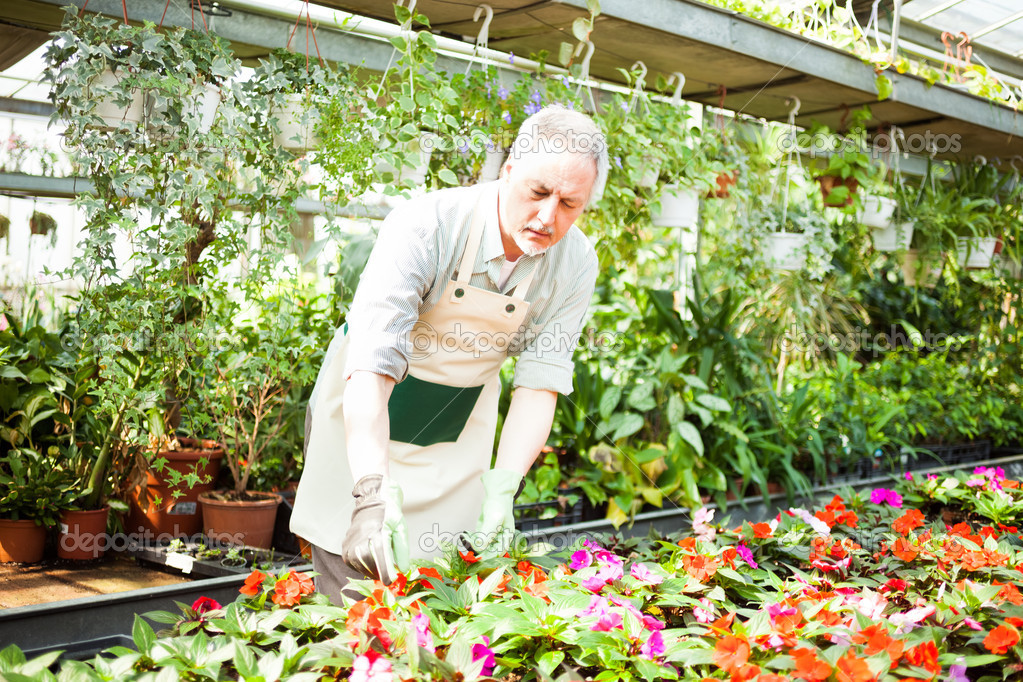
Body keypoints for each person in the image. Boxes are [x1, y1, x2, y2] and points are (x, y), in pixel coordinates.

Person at [290, 105, 608, 601]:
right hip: (365, 416)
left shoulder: (575, 263)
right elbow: (373, 365)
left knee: (440, 598)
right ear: (508, 173)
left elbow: (539, 383)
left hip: (454, 436)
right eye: (539, 192)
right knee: (354, 599)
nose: (549, 217)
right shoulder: (428, 225)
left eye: (570, 204)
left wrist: (504, 489)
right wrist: (372, 493)